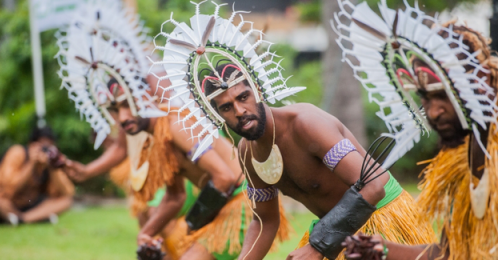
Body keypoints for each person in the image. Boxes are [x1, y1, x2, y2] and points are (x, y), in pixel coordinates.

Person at [155, 2, 436, 260]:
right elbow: (264, 221)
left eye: (243, 98)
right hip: (336, 233)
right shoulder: (247, 154)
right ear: (216, 115)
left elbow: (372, 186)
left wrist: (316, 246)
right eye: (226, 107)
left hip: (381, 219)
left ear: (258, 90)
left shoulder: (306, 125)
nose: (239, 111)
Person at [55, 2, 289, 258]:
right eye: (113, 110)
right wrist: (147, 233)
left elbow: (224, 178)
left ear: (146, 97)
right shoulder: (158, 135)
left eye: (126, 106)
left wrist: (188, 228)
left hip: (241, 206)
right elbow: (175, 196)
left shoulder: (175, 124)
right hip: (224, 204)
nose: (121, 118)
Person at [332, 1, 498, 259]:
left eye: (443, 95)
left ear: (482, 81)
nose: (433, 111)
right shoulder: (459, 159)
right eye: (425, 97)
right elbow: (448, 252)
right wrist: (383, 249)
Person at [0, 126, 74, 226]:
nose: (44, 151)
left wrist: (53, 167)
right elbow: (9, 190)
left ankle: (23, 219)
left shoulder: (48, 163)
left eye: (48, 148)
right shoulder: (18, 152)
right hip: (7, 202)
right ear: (31, 145)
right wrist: (31, 164)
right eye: (41, 147)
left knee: (66, 202)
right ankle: (35, 218)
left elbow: (68, 193)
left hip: (29, 206)